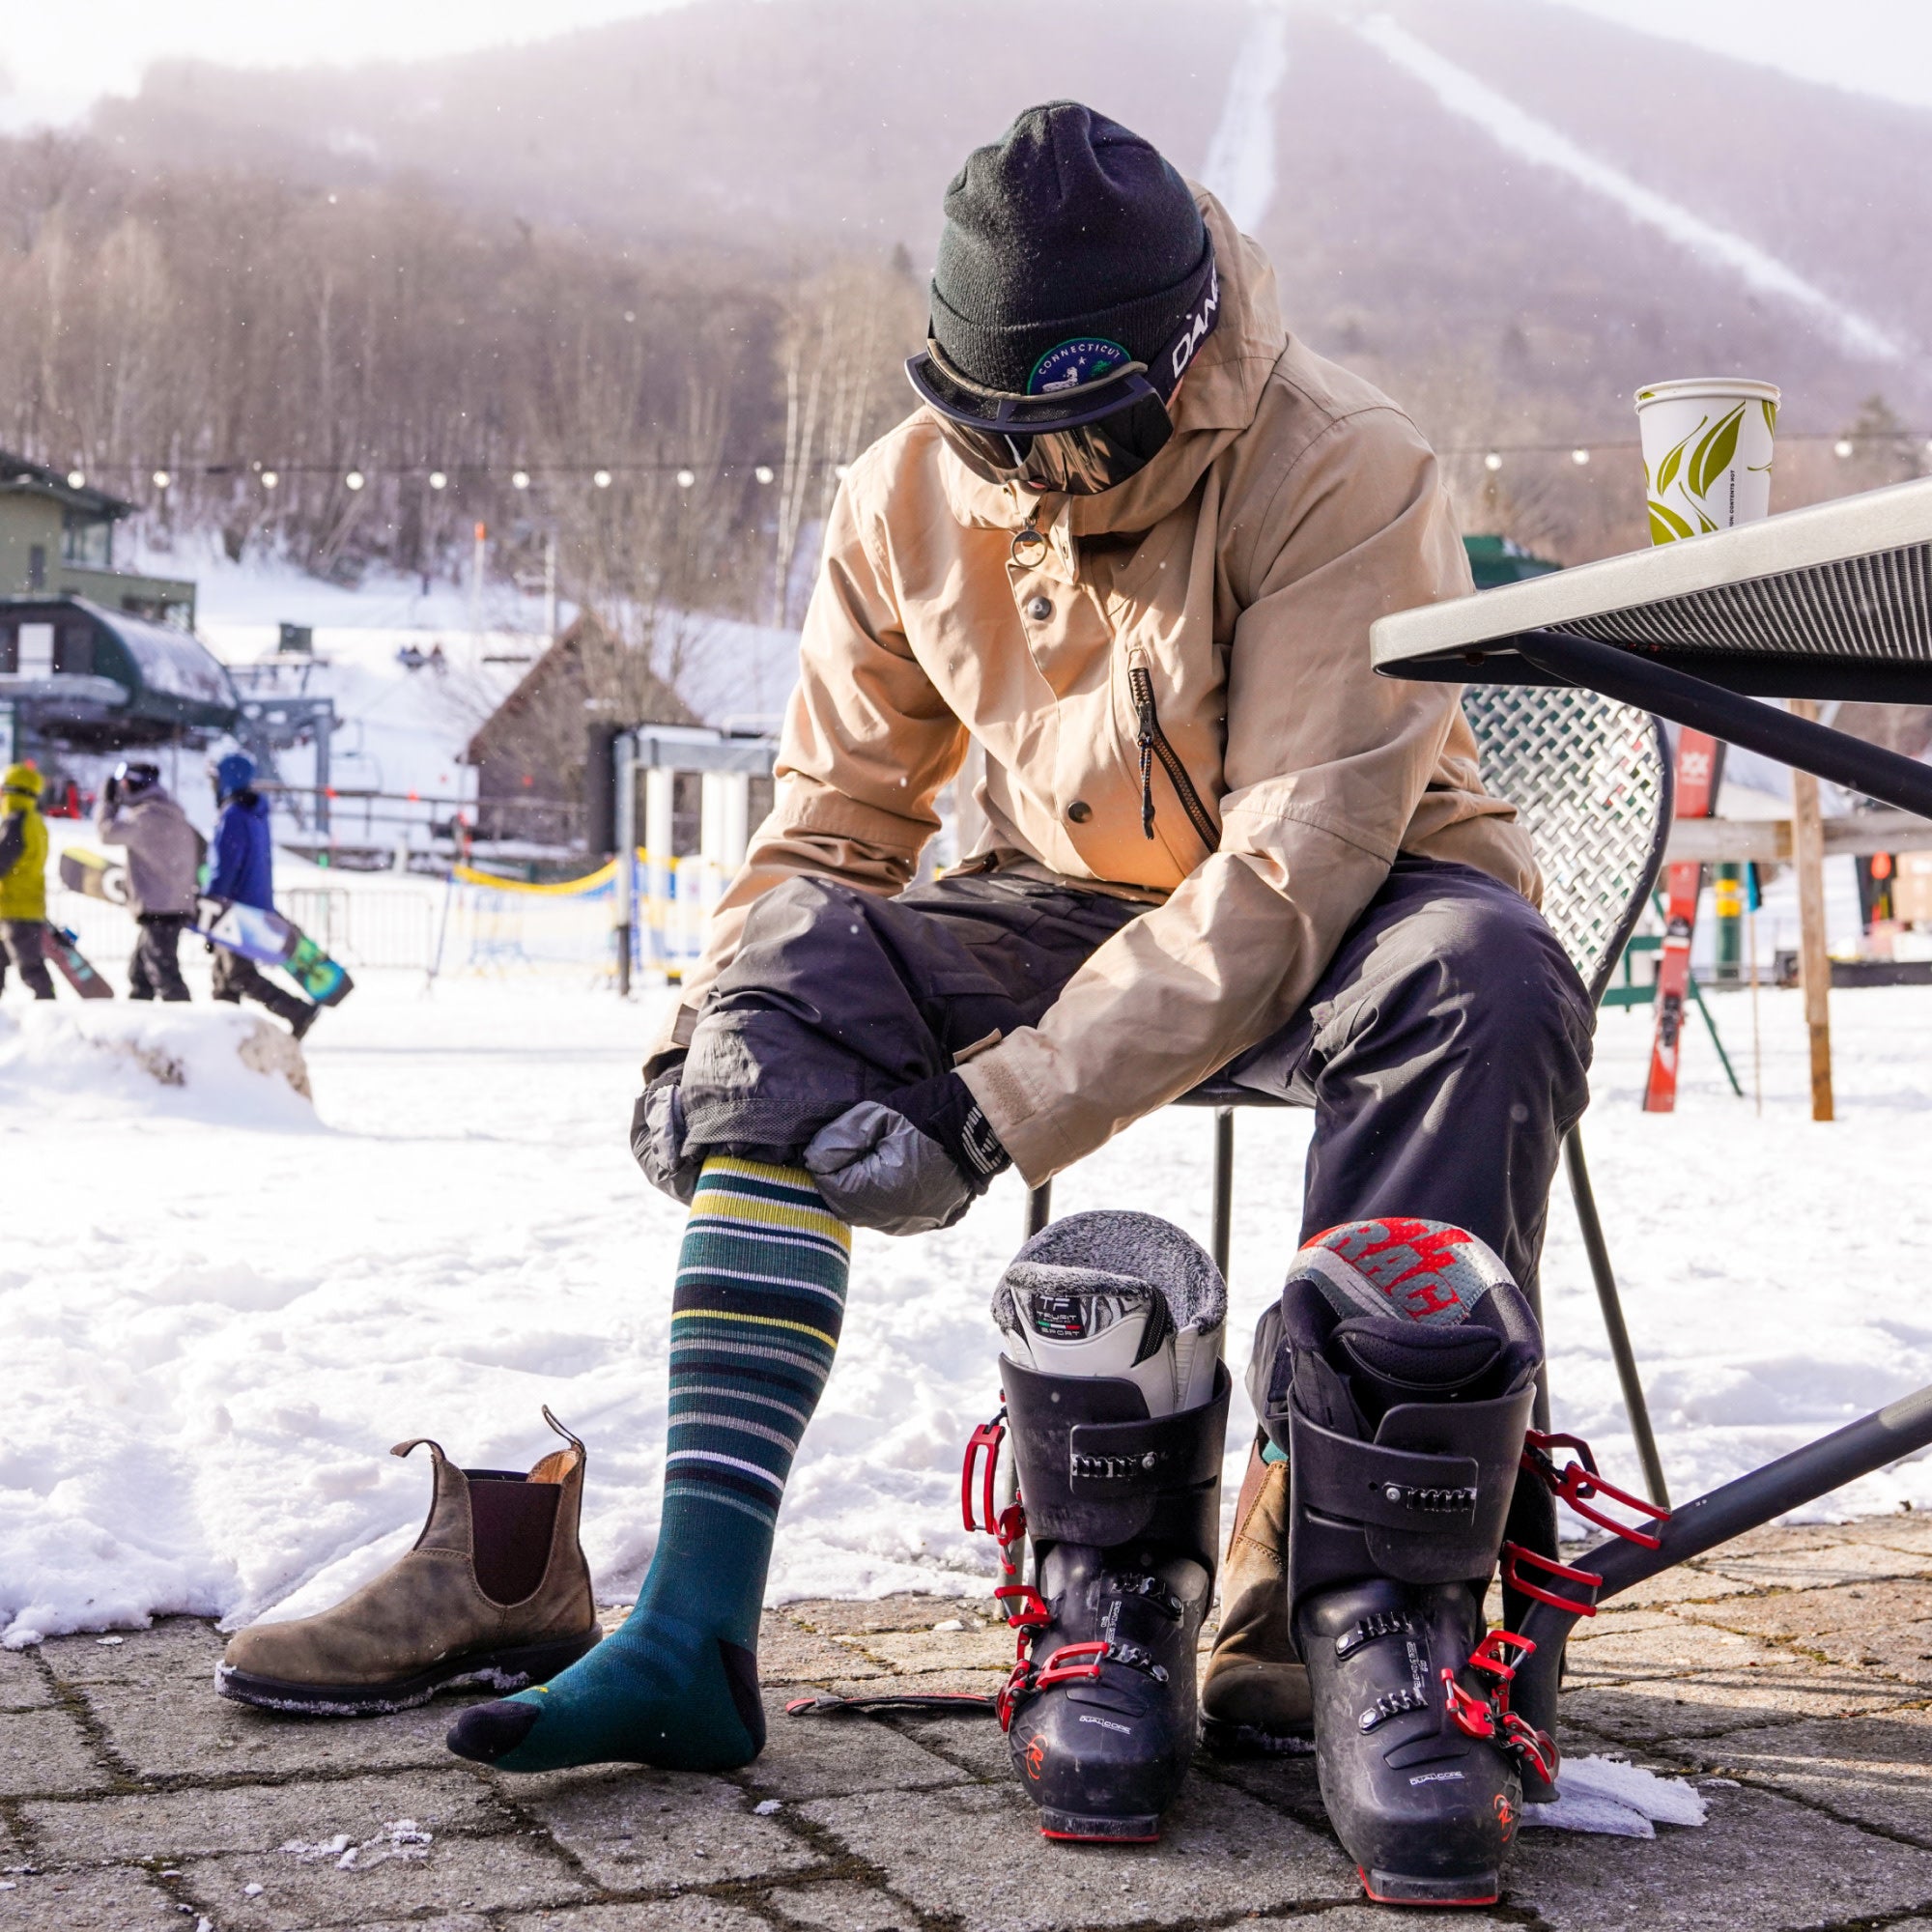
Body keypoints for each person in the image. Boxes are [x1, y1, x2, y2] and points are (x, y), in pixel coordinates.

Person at [434, 100, 1590, 1878]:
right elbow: (831, 823)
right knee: (790, 973)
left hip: (1364, 896)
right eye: (1000, 437)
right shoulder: (902, 493)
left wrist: (1003, 1108)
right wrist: (710, 1029)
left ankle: (1366, 1616)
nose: (1038, 478)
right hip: (1066, 887)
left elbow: (1285, 877)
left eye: (1083, 433)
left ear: (1183, 358)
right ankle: (693, 1634)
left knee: (1490, 978)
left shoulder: (1344, 465)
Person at [208, 752, 320, 1038]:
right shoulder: (256, 813)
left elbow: (225, 866)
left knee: (237, 974)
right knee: (223, 973)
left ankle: (296, 1011)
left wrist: (211, 903)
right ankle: (224, 1031)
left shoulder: (232, 815)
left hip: (235, 908)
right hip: (255, 903)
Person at [97, 760, 199, 1002]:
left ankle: (188, 1028)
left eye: (124, 782)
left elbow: (106, 832)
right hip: (173, 903)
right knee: (140, 973)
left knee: (164, 973)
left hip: (159, 908)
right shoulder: (171, 812)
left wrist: (108, 803)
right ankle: (141, 1021)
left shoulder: (146, 817)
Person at [0, 762, 57, 1000]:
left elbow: (3, 859)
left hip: (16, 906)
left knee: (31, 968)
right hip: (26, 904)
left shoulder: (16, 822)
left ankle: (50, 1011)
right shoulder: (36, 821)